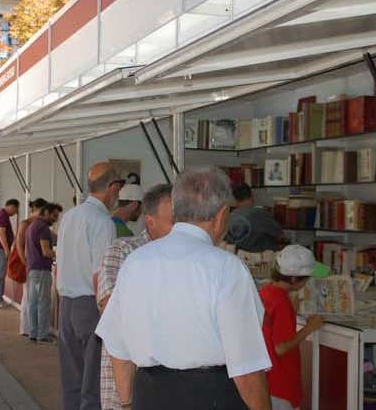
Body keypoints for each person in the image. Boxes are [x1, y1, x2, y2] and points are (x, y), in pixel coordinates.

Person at [96, 168, 272, 410]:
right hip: (209, 397)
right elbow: (247, 369)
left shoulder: (135, 262)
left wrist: (127, 404)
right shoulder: (227, 268)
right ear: (222, 215)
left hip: (148, 394)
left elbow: (118, 350)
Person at [97, 184, 174, 410]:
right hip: (127, 385)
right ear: (150, 221)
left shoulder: (187, 259)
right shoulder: (122, 250)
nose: (181, 228)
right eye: (173, 221)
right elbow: (110, 305)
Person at [56, 162, 124, 410]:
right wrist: (110, 316)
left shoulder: (69, 217)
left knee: (71, 377)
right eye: (119, 187)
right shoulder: (103, 223)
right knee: (93, 380)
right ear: (113, 187)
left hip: (66, 304)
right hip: (90, 306)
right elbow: (100, 276)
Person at [260, 245, 328, 410]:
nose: (308, 282)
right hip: (281, 384)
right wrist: (308, 328)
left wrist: (291, 311)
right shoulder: (281, 303)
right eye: (306, 278)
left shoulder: (267, 292)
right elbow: (280, 348)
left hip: (266, 381)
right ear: (294, 280)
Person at [26, 202, 63, 344]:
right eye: (54, 215)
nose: (55, 219)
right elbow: (46, 251)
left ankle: (33, 333)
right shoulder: (42, 228)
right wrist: (61, 254)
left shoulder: (33, 225)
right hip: (41, 269)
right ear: (46, 212)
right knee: (43, 303)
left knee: (33, 303)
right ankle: (42, 335)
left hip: (33, 268)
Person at [16, 198, 49, 336]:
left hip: (31, 264)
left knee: (32, 299)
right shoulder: (26, 224)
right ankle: (27, 328)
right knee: (29, 299)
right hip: (30, 264)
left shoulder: (38, 224)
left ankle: (31, 329)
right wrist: (26, 263)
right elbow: (19, 245)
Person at [226, 182, 285, 252]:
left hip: (237, 258)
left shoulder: (230, 216)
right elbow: (280, 235)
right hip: (260, 259)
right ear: (252, 196)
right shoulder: (260, 213)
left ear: (236, 200)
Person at [0, 199, 20, 308]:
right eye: (15, 210)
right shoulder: (2, 215)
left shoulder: (2, 215)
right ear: (11, 206)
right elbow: (1, 233)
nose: (15, 213)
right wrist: (7, 249)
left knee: (0, 274)